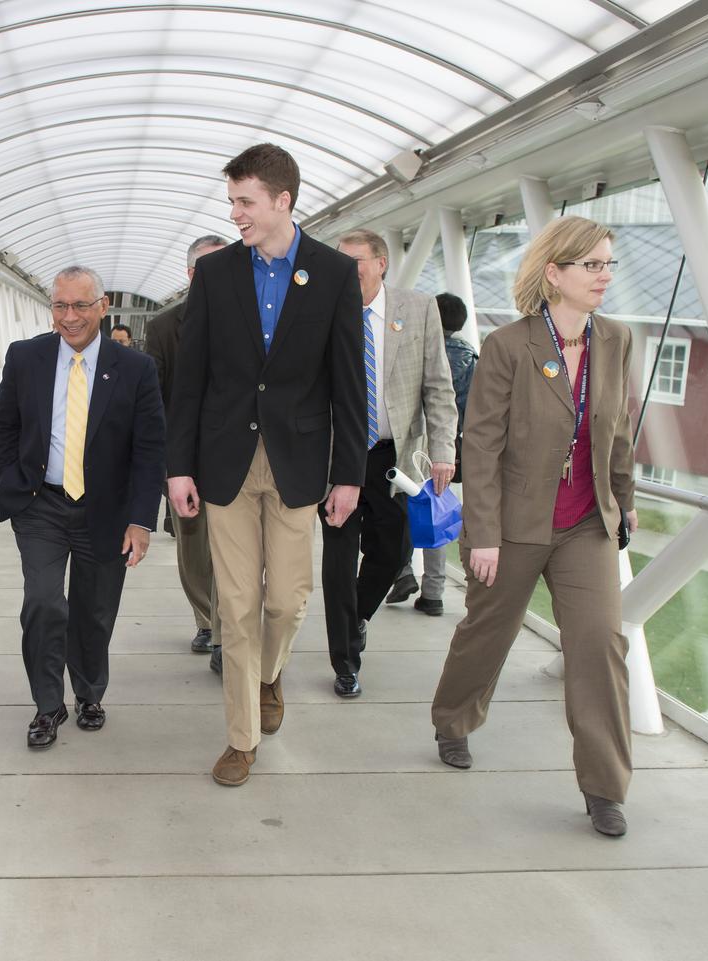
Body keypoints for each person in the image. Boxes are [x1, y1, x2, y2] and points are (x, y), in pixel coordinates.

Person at [430, 215, 637, 837]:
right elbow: (483, 445)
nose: (604, 276)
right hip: (515, 524)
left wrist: (623, 502)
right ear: (555, 273)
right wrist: (484, 534)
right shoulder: (508, 346)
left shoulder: (617, 341)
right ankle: (452, 718)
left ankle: (604, 786)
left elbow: (618, 430)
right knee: (486, 632)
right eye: (591, 265)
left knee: (600, 643)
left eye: (608, 265)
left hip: (585, 526)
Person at [167, 144, 364, 787]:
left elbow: (347, 384)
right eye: (232, 202)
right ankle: (240, 738)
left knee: (286, 600)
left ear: (283, 201)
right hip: (225, 461)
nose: (236, 215)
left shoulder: (334, 273)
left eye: (245, 202)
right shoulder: (218, 273)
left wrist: (349, 474)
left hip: (299, 461)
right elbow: (189, 378)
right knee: (237, 602)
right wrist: (179, 467)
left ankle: (270, 674)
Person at [0, 266, 165, 749]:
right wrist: (10, 478)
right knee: (43, 602)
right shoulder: (26, 358)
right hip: (40, 505)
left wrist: (140, 520)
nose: (69, 317)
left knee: (94, 610)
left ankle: (89, 692)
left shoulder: (136, 369)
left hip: (105, 510)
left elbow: (150, 450)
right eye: (60, 306)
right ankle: (48, 706)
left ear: (102, 306)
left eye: (80, 306)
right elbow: (2, 427)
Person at [320, 230, 457, 698]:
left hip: (391, 457)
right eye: (340, 262)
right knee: (338, 559)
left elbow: (439, 387)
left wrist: (443, 451)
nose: (347, 270)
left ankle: (356, 616)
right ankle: (345, 660)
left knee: (394, 552)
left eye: (356, 261)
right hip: (337, 457)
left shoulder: (417, 310)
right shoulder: (323, 310)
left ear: (381, 264)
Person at [145, 234, 228, 659]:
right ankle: (207, 619)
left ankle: (223, 634)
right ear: (192, 274)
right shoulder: (163, 327)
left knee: (234, 552)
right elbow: (154, 399)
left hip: (237, 457)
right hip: (186, 461)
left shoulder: (253, 320)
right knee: (194, 550)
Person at [390, 292, 477, 617]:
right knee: (436, 514)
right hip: (445, 448)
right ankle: (434, 592)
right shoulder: (469, 357)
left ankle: (401, 573)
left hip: (412, 444)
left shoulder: (416, 347)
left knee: (400, 510)